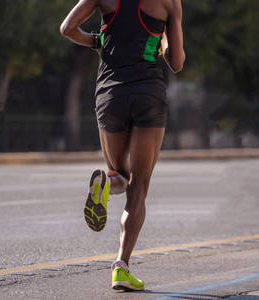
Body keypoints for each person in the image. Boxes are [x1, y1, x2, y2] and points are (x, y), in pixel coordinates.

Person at [60, 0, 185, 291]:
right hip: (148, 94)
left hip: (110, 93)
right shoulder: (170, 2)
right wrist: (163, 37)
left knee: (120, 175)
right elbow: (176, 62)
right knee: (139, 185)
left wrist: (96, 42)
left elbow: (67, 29)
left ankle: (105, 181)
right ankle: (121, 266)